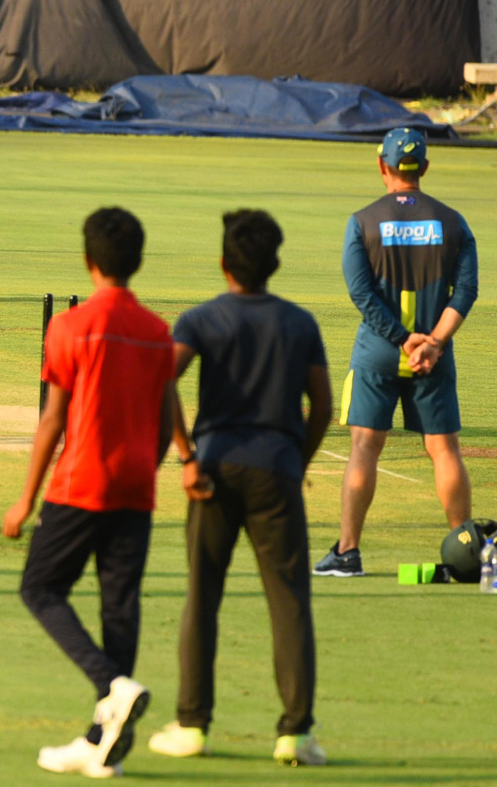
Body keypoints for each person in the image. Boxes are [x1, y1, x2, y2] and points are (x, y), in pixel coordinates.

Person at [147, 209, 331, 767]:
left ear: (224, 262)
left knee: (203, 596)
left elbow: (162, 381)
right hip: (276, 468)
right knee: (290, 601)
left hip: (214, 469)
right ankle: (294, 734)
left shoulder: (201, 318)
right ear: (274, 263)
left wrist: (185, 454)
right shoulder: (300, 323)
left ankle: (191, 725)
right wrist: (294, 462)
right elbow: (321, 406)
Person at [3, 207, 176, 778]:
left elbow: (53, 420)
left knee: (40, 588)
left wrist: (25, 500)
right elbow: (162, 417)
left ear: (87, 259)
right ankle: (103, 745)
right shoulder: (157, 331)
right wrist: (151, 469)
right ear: (138, 262)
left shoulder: (69, 327)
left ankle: (112, 686)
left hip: (80, 483)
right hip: (136, 489)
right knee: (118, 610)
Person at [314, 128, 477, 578]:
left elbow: (362, 294)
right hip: (435, 356)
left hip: (380, 354)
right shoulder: (453, 222)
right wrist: (434, 342)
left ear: (382, 166)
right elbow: (466, 290)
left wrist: (402, 340)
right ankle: (464, 552)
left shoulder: (362, 221)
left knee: (364, 448)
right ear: (423, 167)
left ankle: (348, 553)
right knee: (444, 450)